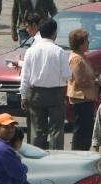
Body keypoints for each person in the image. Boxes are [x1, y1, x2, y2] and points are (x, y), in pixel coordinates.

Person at [19, 18, 69, 149]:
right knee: (56, 130)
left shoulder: (31, 51)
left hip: (36, 94)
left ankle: (37, 158)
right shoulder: (59, 51)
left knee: (37, 130)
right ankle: (56, 158)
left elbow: (25, 76)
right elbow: (66, 75)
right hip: (56, 94)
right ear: (54, 33)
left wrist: (23, 96)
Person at [67, 29, 99, 152]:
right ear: (80, 44)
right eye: (86, 41)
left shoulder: (82, 56)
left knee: (86, 130)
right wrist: (95, 82)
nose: (89, 43)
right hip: (81, 98)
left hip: (87, 98)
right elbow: (80, 80)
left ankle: (83, 151)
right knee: (81, 130)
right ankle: (77, 154)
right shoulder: (76, 59)